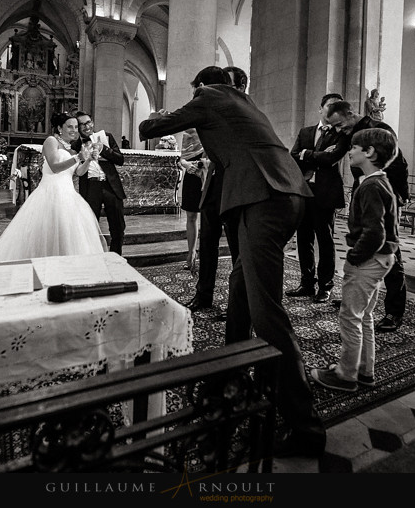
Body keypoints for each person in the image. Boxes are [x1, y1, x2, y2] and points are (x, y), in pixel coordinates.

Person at [139, 65, 327, 456]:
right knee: (241, 291)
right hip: (285, 194)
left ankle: (306, 427)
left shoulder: (209, 96)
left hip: (263, 199)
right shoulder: (243, 101)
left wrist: (158, 114)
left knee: (267, 313)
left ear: (200, 86)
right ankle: (234, 378)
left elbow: (148, 129)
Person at [310, 128, 399, 392]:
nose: (349, 151)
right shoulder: (378, 181)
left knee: (350, 317)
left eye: (354, 147)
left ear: (369, 152)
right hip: (382, 258)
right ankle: (364, 371)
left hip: (368, 260)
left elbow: (375, 233)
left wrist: (354, 257)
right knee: (364, 316)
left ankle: (346, 375)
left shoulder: (371, 185)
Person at [325, 100, 409, 333]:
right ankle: (356, 295)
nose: (339, 131)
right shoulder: (348, 133)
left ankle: (394, 311)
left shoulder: (377, 129)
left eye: (340, 125)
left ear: (350, 114)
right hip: (364, 190)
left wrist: (400, 196)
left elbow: (399, 164)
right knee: (363, 240)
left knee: (389, 251)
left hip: (382, 193)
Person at [0, 112, 108, 262]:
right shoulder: (51, 141)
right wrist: (79, 157)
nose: (74, 130)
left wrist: (88, 160)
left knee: (67, 234)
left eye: (76, 127)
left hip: (69, 196)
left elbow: (78, 172)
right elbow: (54, 167)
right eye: (69, 127)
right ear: (60, 128)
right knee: (47, 233)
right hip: (50, 193)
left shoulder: (73, 149)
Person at [187, 66, 246, 312]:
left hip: (234, 188)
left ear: (240, 88)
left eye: (226, 85)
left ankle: (237, 305)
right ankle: (203, 295)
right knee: (207, 243)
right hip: (213, 185)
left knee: (237, 250)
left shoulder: (243, 112)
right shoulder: (215, 109)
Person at [286, 93, 351, 303]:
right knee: (303, 239)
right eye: (330, 106)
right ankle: (306, 283)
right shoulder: (305, 131)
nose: (333, 110)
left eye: (338, 107)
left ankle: (325, 286)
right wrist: (317, 156)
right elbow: (293, 157)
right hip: (304, 190)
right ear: (320, 109)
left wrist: (307, 154)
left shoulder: (341, 134)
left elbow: (332, 158)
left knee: (325, 240)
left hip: (326, 193)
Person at [72, 110, 127, 255]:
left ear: (93, 122)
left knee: (118, 226)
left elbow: (120, 160)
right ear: (78, 127)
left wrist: (103, 149)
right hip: (90, 187)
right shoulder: (75, 145)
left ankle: (116, 257)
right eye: (82, 124)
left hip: (110, 186)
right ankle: (93, 258)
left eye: (88, 122)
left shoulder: (106, 137)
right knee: (90, 226)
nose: (86, 127)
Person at [178, 127, 207, 273]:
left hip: (207, 175)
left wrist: (204, 165)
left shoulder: (210, 127)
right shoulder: (188, 131)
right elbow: (182, 159)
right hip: (191, 175)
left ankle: (207, 256)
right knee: (191, 216)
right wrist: (187, 165)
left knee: (207, 217)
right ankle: (191, 253)